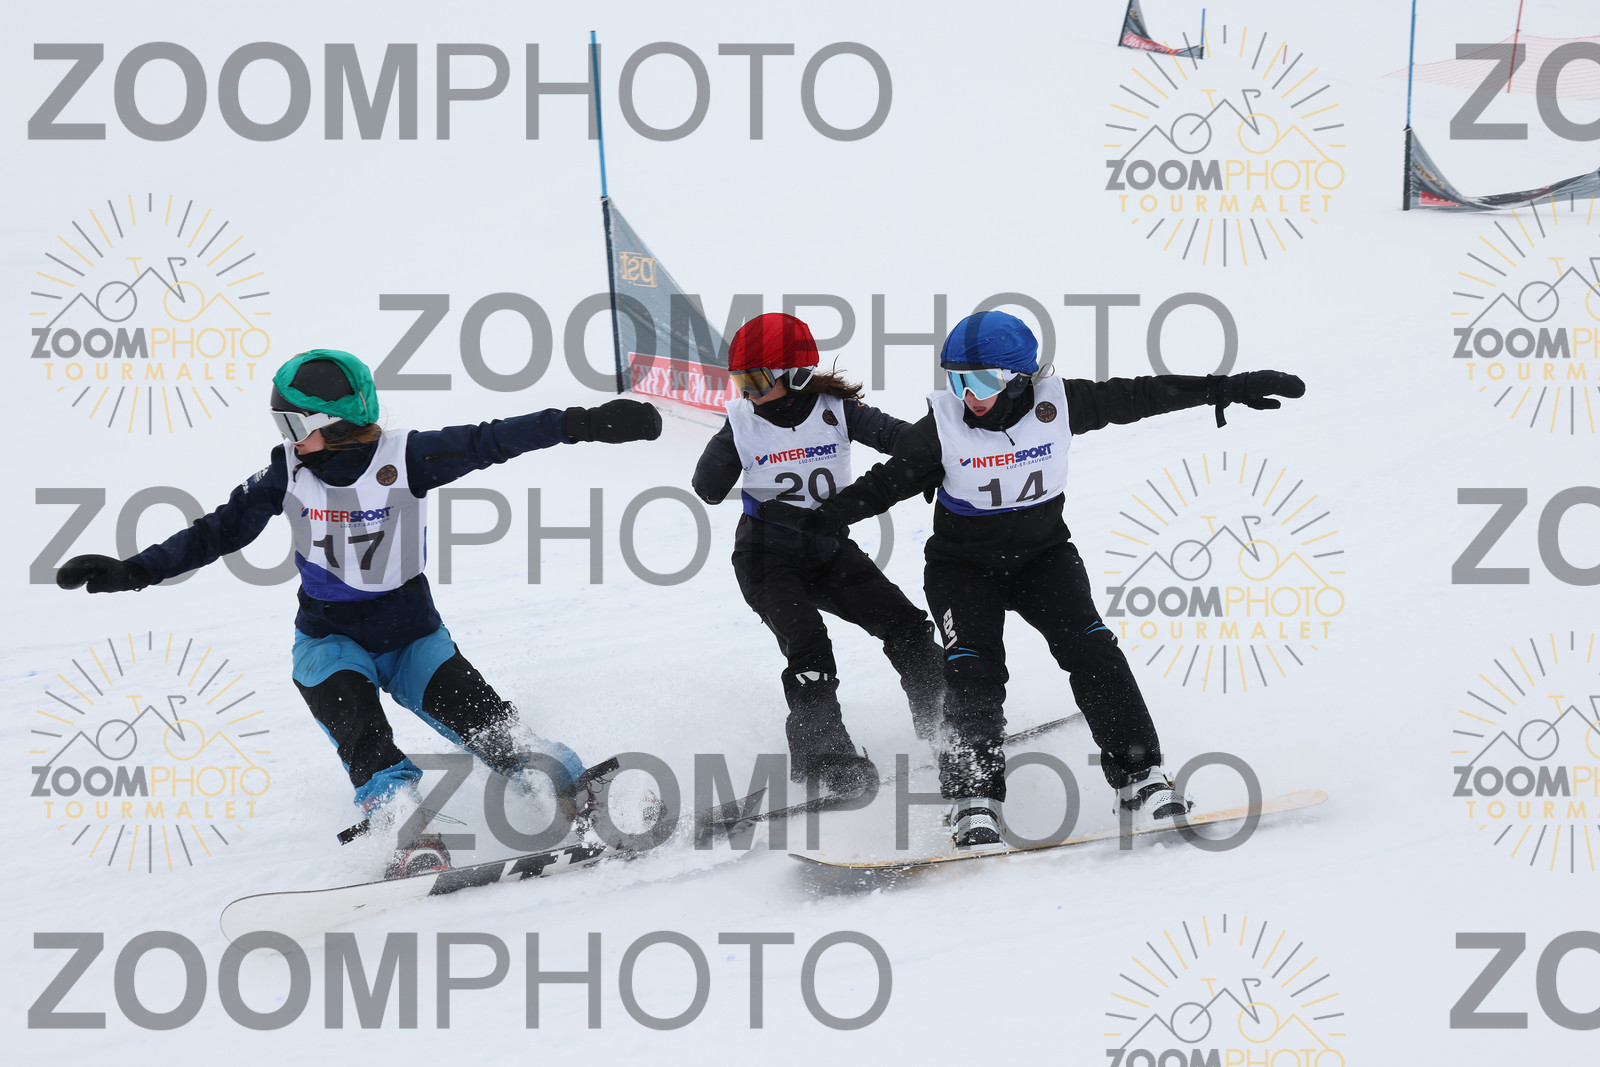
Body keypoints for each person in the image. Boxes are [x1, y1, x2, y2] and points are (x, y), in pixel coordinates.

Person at [56, 349, 663, 874]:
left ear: (331, 423)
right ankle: (406, 830)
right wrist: (135, 570)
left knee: (499, 734)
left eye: (292, 422)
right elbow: (218, 530)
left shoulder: (408, 457)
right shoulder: (286, 471)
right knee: (364, 737)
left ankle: (578, 796)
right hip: (330, 642)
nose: (286, 435)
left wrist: (585, 423)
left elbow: (495, 438)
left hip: (414, 639)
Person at [758, 311, 1305, 847]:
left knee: (1094, 651)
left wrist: (1223, 388)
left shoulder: (1058, 406)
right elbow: (883, 484)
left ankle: (1139, 777)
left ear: (1019, 378)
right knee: (972, 671)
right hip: (962, 570)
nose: (969, 395)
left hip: (1044, 560)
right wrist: (819, 520)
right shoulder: (940, 429)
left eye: (982, 381)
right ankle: (974, 797)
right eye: (957, 380)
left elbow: (1139, 395)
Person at [693, 313, 944, 797]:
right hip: (766, 559)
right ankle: (826, 760)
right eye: (740, 382)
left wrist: (936, 456)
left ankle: (946, 721)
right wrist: (735, 441)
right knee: (809, 647)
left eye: (755, 380)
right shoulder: (742, 420)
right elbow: (707, 488)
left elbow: (905, 441)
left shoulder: (837, 410)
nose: (747, 393)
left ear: (795, 374)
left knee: (906, 626)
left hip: (829, 552)